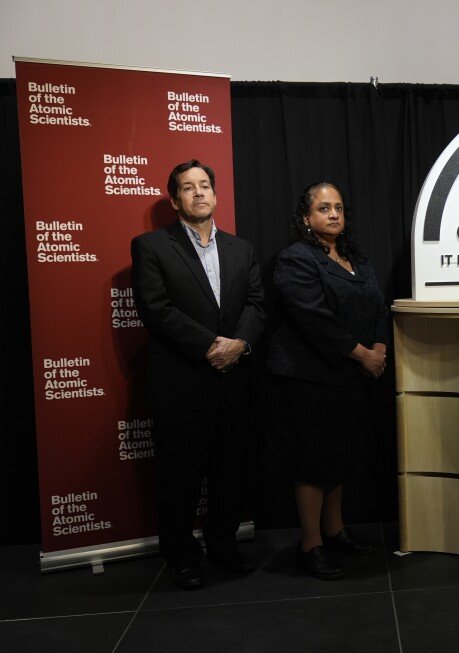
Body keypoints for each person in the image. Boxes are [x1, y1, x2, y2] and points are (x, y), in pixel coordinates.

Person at [131, 160, 266, 590]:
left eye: (204, 185)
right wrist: (211, 346)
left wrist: (239, 344)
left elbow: (257, 305)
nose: (199, 192)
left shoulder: (241, 249)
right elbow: (156, 309)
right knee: (179, 479)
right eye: (188, 187)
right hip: (181, 384)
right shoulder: (151, 246)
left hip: (234, 382)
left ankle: (223, 544)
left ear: (215, 194)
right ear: (175, 201)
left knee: (230, 474)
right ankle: (181, 556)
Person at [266, 182, 388, 580]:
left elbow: (378, 307)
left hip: (348, 377)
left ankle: (335, 531)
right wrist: (363, 355)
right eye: (323, 208)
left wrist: (379, 347)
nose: (334, 214)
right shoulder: (295, 259)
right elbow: (314, 319)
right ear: (306, 218)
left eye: (338, 207)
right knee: (313, 462)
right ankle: (311, 545)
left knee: (338, 458)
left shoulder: (356, 259)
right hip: (309, 379)